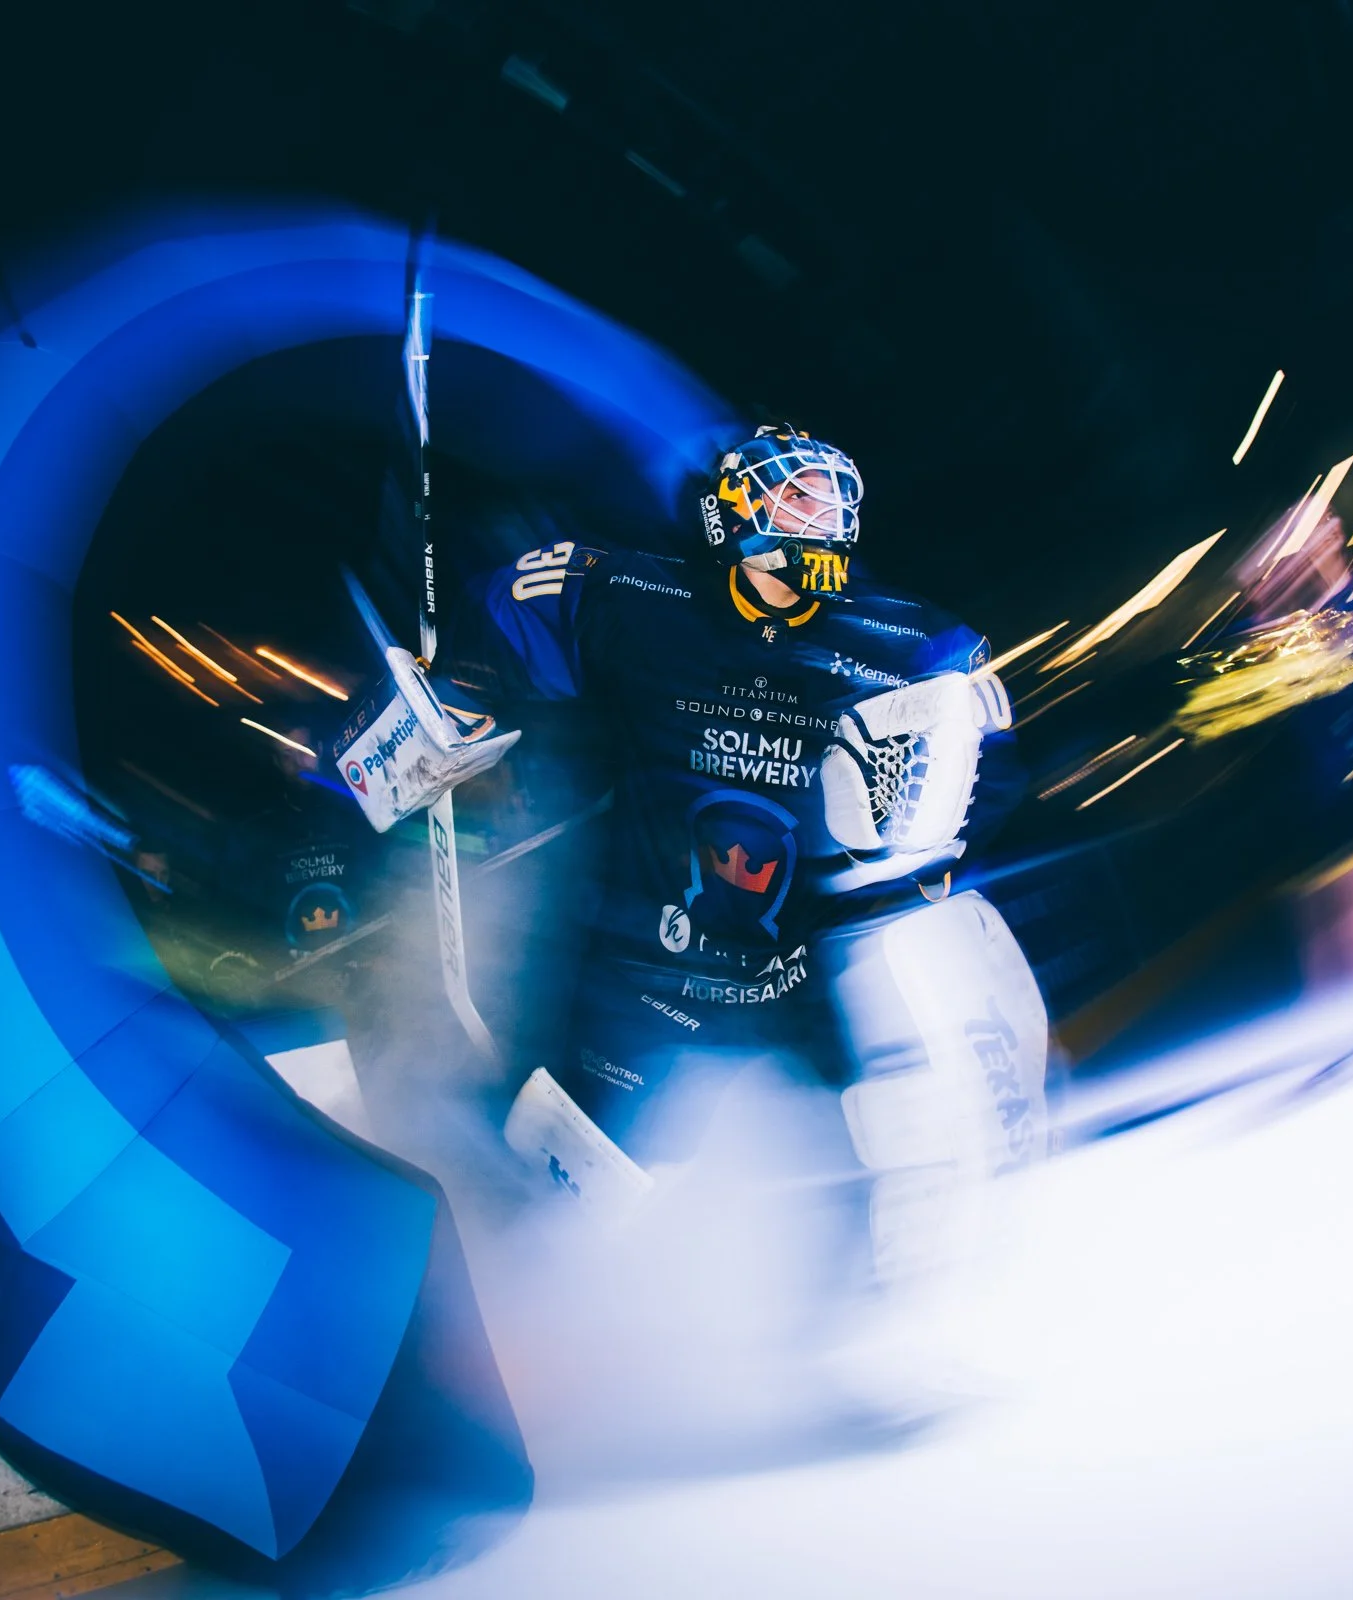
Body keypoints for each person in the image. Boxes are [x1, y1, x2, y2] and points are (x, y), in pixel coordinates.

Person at [332, 427, 1049, 1266]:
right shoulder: (631, 597)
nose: (822, 514)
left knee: (869, 1168)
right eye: (799, 492)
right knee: (565, 1186)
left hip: (804, 972)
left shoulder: (914, 648)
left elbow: (990, 784)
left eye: (831, 498)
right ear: (734, 506)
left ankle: (861, 1324)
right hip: (647, 966)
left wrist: (922, 839)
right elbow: (494, 633)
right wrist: (435, 697)